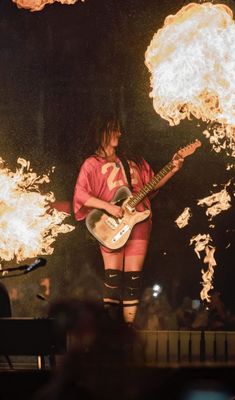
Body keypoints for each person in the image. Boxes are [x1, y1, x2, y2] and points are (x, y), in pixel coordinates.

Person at [73, 116, 184, 326]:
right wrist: (108, 207)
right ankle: (110, 327)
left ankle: (127, 328)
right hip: (110, 223)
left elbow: (152, 184)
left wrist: (174, 166)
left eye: (119, 130)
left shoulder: (134, 161)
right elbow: (80, 194)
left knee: (133, 279)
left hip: (140, 220)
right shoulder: (92, 163)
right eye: (114, 130)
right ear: (102, 132)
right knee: (112, 276)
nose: (119, 134)